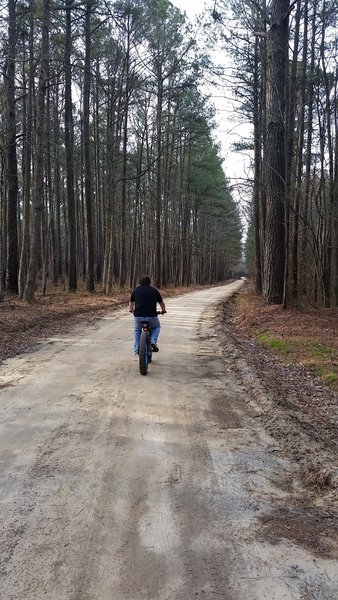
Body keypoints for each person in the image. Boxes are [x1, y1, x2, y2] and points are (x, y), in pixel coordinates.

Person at [129, 276, 166, 356]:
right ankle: (153, 341)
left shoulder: (136, 290)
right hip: (151, 316)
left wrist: (131, 309)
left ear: (140, 282)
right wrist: (163, 310)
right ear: (149, 282)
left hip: (138, 316)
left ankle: (137, 348)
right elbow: (161, 303)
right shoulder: (154, 290)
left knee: (137, 330)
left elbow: (131, 302)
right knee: (156, 327)